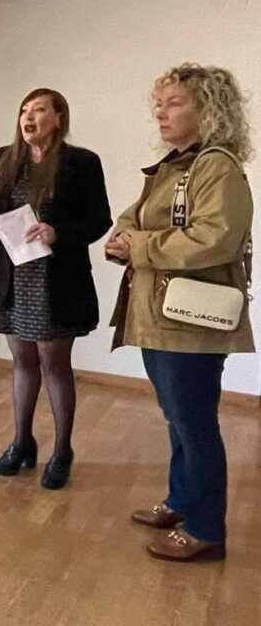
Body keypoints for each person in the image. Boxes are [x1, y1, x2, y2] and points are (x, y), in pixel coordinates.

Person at [105, 63, 253, 562]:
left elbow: (214, 239)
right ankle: (181, 501)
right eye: (159, 103)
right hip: (161, 315)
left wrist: (139, 246)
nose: (160, 113)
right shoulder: (177, 166)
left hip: (188, 321)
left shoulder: (217, 168)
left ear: (208, 110)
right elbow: (134, 217)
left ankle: (206, 530)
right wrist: (123, 237)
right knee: (177, 418)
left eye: (174, 103)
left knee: (194, 424)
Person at [0, 88, 111, 489]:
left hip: (55, 281)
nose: (28, 117)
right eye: (24, 110)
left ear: (59, 118)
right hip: (12, 279)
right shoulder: (6, 158)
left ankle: (62, 451)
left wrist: (58, 232)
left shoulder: (82, 162)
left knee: (54, 365)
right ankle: (22, 442)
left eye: (39, 110)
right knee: (23, 363)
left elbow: (99, 220)